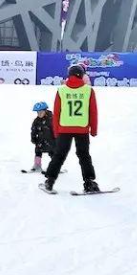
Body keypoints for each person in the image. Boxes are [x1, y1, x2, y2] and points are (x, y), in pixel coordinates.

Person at [42, 65, 101, 193]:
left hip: (64, 128)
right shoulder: (88, 90)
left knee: (59, 155)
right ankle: (89, 182)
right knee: (84, 156)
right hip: (82, 128)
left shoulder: (61, 90)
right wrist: (94, 129)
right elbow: (93, 112)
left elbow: (56, 113)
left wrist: (56, 130)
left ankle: (49, 181)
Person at [29, 101, 55, 173]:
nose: (39, 114)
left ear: (45, 111)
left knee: (53, 153)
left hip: (51, 141)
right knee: (38, 151)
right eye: (38, 112)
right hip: (40, 141)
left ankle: (55, 167)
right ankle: (37, 165)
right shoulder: (36, 121)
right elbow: (33, 130)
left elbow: (56, 130)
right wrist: (33, 138)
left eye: (41, 112)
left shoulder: (51, 119)